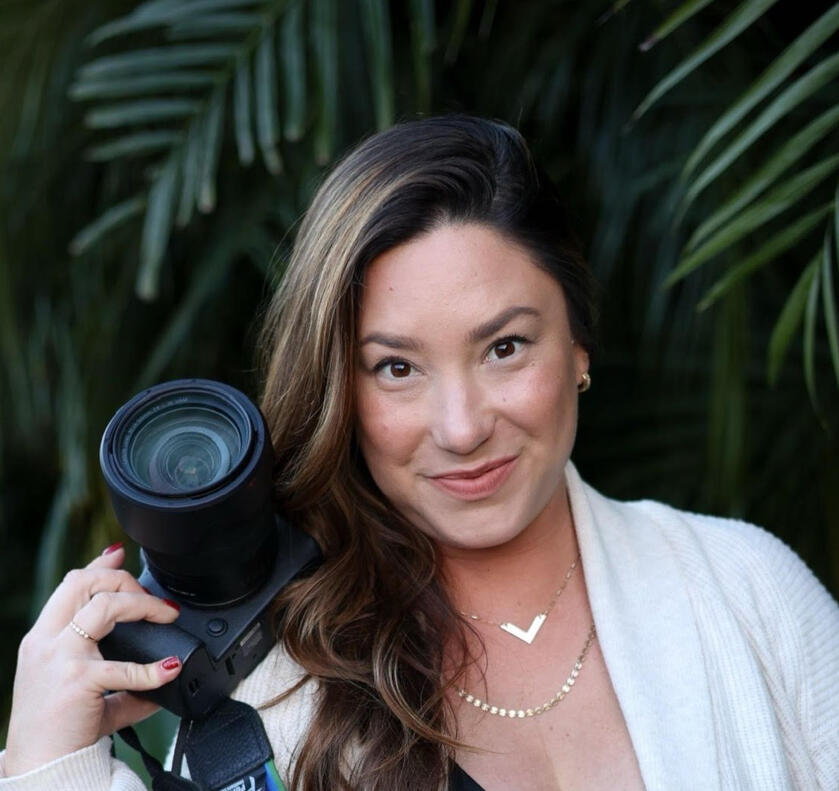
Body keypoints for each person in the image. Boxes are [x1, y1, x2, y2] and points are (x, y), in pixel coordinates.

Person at [2, 115, 838, 791]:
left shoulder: (745, 589)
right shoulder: (268, 691)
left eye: (504, 347)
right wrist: (51, 764)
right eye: (396, 368)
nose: (462, 426)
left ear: (579, 345)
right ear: (341, 390)